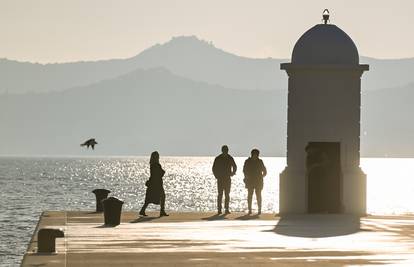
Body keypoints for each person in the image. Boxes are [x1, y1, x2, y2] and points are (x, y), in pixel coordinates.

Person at [139, 151, 169, 217]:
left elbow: (154, 174)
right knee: (162, 196)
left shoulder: (152, 165)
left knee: (149, 198)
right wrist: (163, 172)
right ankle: (162, 211)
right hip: (157, 184)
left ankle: (142, 210)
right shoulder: (157, 165)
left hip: (152, 183)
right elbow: (160, 173)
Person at [212, 145, 237, 214]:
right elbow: (214, 168)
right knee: (220, 194)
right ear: (222, 150)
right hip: (220, 178)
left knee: (227, 194)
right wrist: (216, 175)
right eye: (224, 150)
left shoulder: (230, 158)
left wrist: (233, 173)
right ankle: (219, 209)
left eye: (226, 150)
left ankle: (226, 209)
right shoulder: (218, 158)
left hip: (227, 178)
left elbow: (234, 166)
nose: (225, 151)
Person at [243, 149, 267, 215]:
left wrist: (262, 176)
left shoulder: (260, 161)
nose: (256, 156)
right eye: (254, 155)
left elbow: (264, 171)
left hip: (258, 181)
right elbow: (244, 170)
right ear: (252, 154)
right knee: (250, 195)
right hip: (250, 181)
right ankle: (249, 209)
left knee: (258, 195)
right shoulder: (247, 161)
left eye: (256, 155)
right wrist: (246, 176)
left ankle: (259, 210)